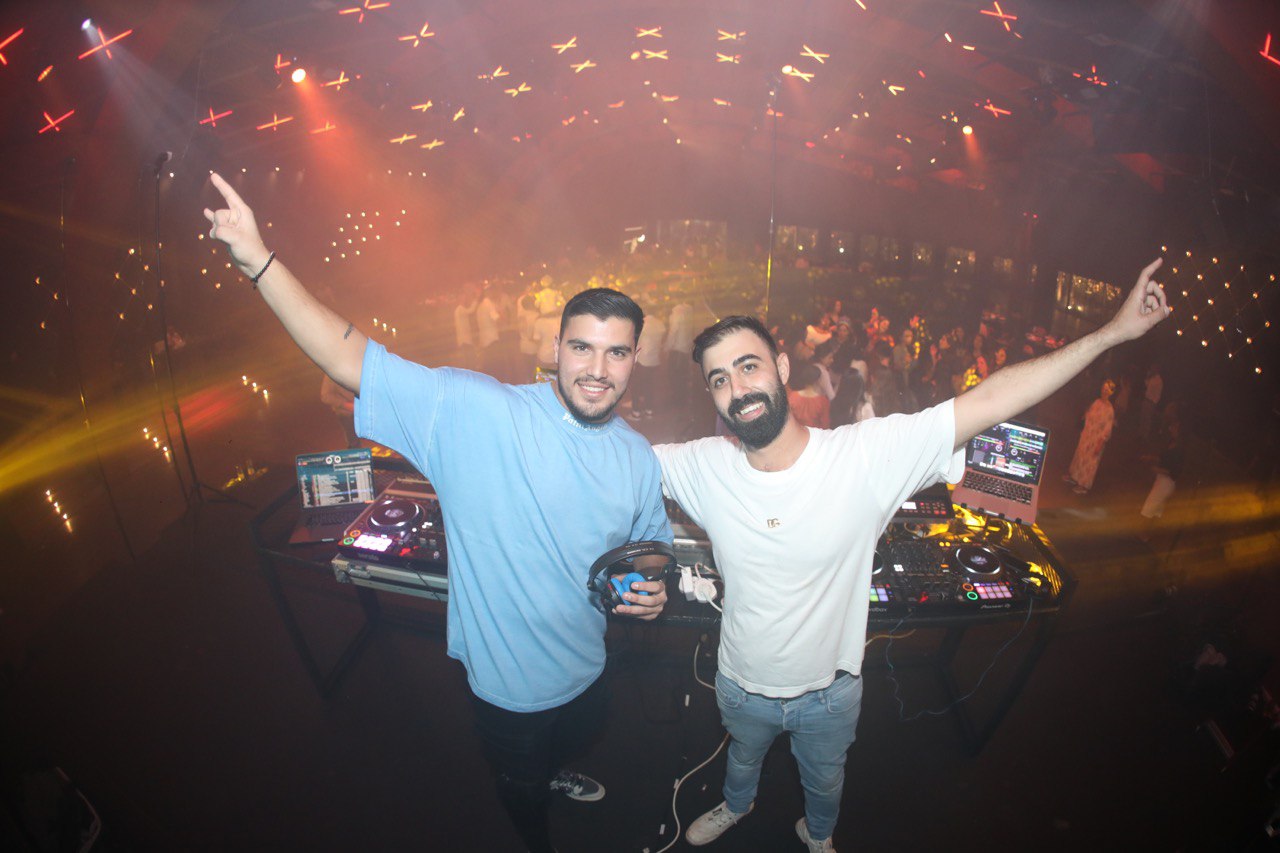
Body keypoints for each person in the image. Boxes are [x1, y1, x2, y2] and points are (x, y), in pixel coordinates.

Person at [203, 173, 671, 853]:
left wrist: (650, 582)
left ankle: (555, 771)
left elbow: (651, 543)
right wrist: (258, 260)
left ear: (634, 360)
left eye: (615, 351)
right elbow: (350, 356)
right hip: (508, 687)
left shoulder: (636, 455)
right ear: (554, 349)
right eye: (581, 347)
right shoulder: (475, 410)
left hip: (590, 666)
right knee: (519, 783)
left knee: (576, 741)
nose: (597, 368)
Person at [653, 259, 1170, 852]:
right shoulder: (703, 465)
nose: (738, 389)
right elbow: (612, 458)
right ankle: (737, 805)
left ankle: (818, 837)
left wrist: (1110, 333)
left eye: (749, 366)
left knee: (825, 780)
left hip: (829, 692)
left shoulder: (865, 456)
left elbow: (991, 399)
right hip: (741, 683)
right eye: (719, 379)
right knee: (742, 757)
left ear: (783, 367)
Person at [1064, 379, 1117, 495]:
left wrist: (1100, 443)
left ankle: (1083, 486)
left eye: (1106, 390)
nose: (1104, 392)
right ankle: (1074, 477)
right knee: (1080, 456)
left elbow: (1107, 430)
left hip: (1096, 440)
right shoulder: (1097, 402)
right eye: (1103, 389)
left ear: (1111, 393)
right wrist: (1084, 416)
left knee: (1090, 463)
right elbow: (1089, 414)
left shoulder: (1110, 410)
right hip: (1087, 436)